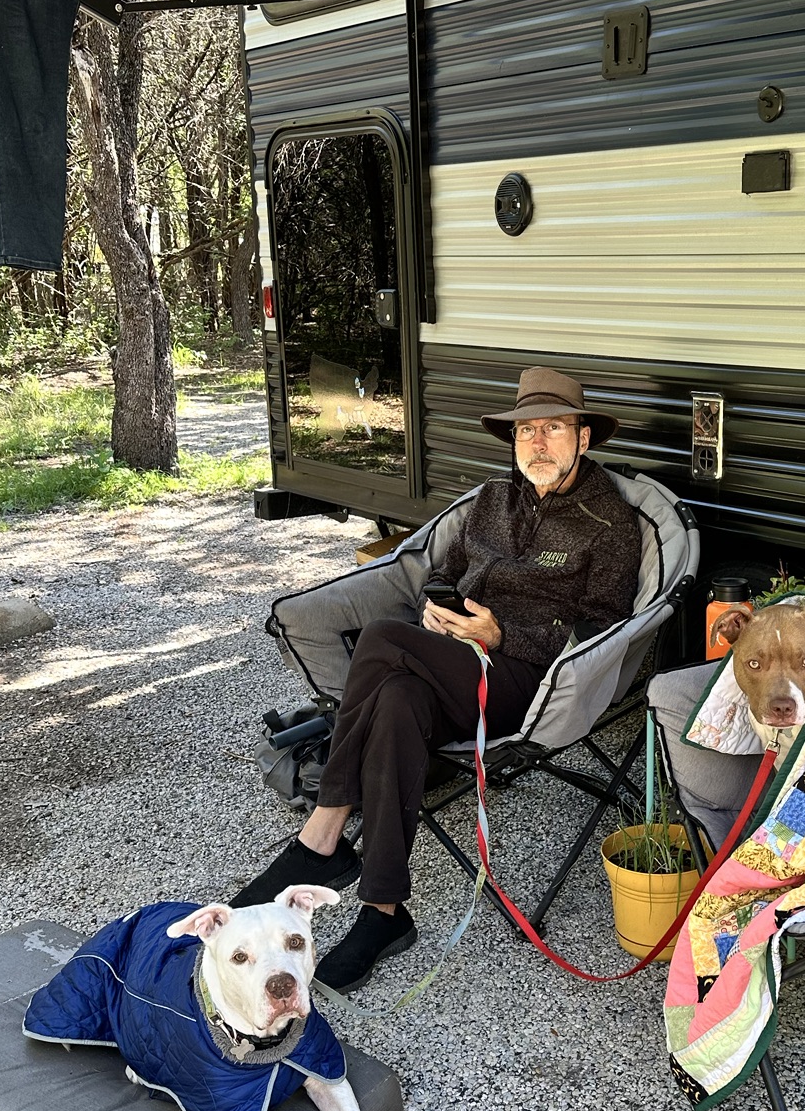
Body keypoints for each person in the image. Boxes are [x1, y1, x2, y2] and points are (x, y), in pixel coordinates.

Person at [232, 368, 642, 989]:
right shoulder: (491, 501)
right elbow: (442, 574)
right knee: (397, 697)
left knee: (381, 639)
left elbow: (605, 628)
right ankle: (384, 912)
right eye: (525, 431)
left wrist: (503, 636)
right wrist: (434, 608)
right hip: (449, 661)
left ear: (583, 438)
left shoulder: (608, 522)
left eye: (553, 429)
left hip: (531, 682)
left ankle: (323, 833)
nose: (537, 443)